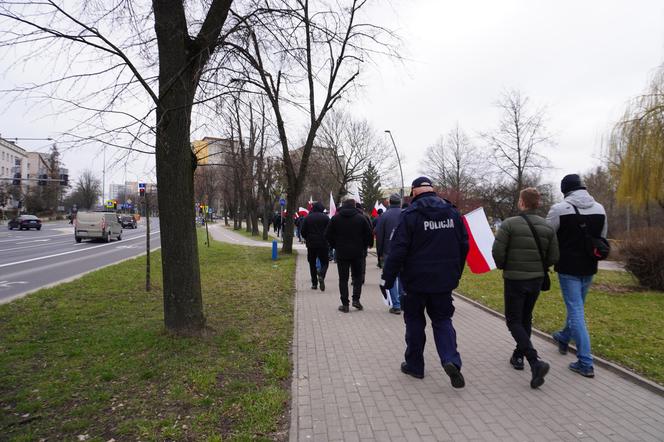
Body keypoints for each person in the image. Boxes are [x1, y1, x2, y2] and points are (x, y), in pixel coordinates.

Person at [382, 177, 469, 388]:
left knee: (414, 322)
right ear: (432, 190)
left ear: (413, 193)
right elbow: (464, 245)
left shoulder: (409, 215)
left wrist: (388, 278)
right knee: (442, 321)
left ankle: (415, 365)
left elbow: (398, 250)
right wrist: (456, 272)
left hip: (415, 282)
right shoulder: (452, 213)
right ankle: (450, 360)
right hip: (443, 281)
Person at [492, 188, 559, 389]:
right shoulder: (547, 227)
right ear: (537, 203)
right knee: (526, 317)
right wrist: (540, 266)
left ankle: (534, 361)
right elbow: (554, 256)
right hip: (536, 279)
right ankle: (518, 356)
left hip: (515, 279)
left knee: (513, 320)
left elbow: (497, 251)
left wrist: (504, 265)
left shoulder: (509, 224)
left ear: (522, 202)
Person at [546, 174, 607, 378]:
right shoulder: (600, 208)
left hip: (568, 268)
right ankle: (564, 336)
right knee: (577, 306)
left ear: (565, 190)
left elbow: (547, 235)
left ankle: (585, 361)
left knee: (576, 311)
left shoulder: (559, 210)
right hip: (590, 266)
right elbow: (602, 238)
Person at [325, 197, 373, 312]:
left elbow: (327, 234)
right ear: (354, 206)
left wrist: (334, 245)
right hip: (358, 252)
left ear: (343, 205)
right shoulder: (361, 218)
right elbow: (369, 234)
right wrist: (366, 245)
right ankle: (356, 300)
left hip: (341, 252)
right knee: (357, 277)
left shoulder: (336, 218)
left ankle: (345, 304)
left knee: (343, 279)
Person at [374, 193, 404, 314]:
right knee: (402, 277)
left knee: (391, 277)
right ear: (400, 203)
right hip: (404, 252)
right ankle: (403, 302)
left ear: (390, 203)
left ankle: (396, 305)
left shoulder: (384, 216)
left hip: (389, 251)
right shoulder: (406, 214)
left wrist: (379, 253)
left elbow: (379, 236)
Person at [301, 202, 330, 291]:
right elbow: (330, 230)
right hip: (323, 243)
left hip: (311, 244)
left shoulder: (308, 218)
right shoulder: (326, 218)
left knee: (312, 263)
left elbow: (303, 231)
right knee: (325, 262)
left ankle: (314, 283)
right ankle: (321, 274)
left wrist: (307, 238)